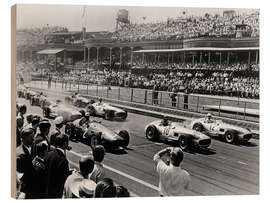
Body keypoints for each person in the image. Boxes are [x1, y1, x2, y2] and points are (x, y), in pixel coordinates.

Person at [45, 133, 71, 198]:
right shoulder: (63, 160)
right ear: (65, 144)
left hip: (45, 189)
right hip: (55, 193)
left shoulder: (48, 154)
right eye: (67, 143)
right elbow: (64, 179)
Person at [16, 128, 35, 199]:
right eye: (31, 137)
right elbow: (20, 174)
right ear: (24, 138)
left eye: (33, 136)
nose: (33, 139)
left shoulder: (33, 147)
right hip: (25, 187)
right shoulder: (19, 154)